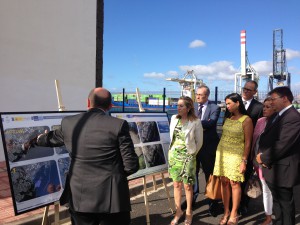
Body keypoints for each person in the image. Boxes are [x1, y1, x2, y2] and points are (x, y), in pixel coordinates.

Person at [24, 87, 139, 225]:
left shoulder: (69, 123)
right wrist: (113, 176)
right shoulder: (118, 125)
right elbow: (131, 165)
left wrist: (35, 140)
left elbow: (51, 138)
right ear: (110, 106)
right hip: (112, 200)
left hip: (79, 197)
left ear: (88, 102)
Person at [256, 86, 300, 225]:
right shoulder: (278, 115)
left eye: (274, 99)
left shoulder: (293, 117)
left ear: (285, 98)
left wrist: (263, 158)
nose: (272, 102)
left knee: (286, 206)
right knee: (277, 204)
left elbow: (283, 144)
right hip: (272, 168)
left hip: (282, 169)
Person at [213, 93, 253, 225]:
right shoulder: (228, 117)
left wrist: (244, 161)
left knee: (235, 183)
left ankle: (234, 213)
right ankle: (226, 212)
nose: (227, 106)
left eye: (229, 103)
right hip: (223, 154)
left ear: (238, 103)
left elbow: (248, 143)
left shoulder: (246, 120)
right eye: (226, 104)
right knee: (224, 182)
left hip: (237, 155)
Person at [181, 86, 221, 217]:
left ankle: (212, 201)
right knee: (193, 173)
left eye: (200, 95)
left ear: (207, 95)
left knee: (209, 174)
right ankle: (191, 199)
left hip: (208, 147)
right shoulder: (192, 108)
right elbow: (185, 121)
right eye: (196, 94)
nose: (197, 97)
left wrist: (192, 122)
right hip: (193, 147)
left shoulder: (215, 108)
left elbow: (211, 123)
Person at [168, 96, 203, 225]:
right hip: (174, 157)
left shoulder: (196, 121)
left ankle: (189, 211)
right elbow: (172, 137)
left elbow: (199, 142)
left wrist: (192, 154)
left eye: (181, 106)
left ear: (188, 108)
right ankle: (178, 211)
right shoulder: (173, 119)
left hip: (188, 157)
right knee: (176, 185)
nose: (178, 108)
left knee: (188, 186)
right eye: (178, 105)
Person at [240, 80, 263, 215]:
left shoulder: (259, 107)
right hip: (234, 147)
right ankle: (233, 202)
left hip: (249, 148)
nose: (246, 91)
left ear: (255, 92)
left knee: (246, 176)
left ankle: (244, 204)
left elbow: (260, 130)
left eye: (249, 89)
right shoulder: (235, 103)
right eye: (244, 88)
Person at [251, 97, 275, 225]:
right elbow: (255, 140)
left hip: (271, 164)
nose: (264, 109)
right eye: (264, 106)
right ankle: (268, 217)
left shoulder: (278, 122)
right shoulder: (260, 121)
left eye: (268, 107)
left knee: (273, 191)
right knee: (266, 190)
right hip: (257, 162)